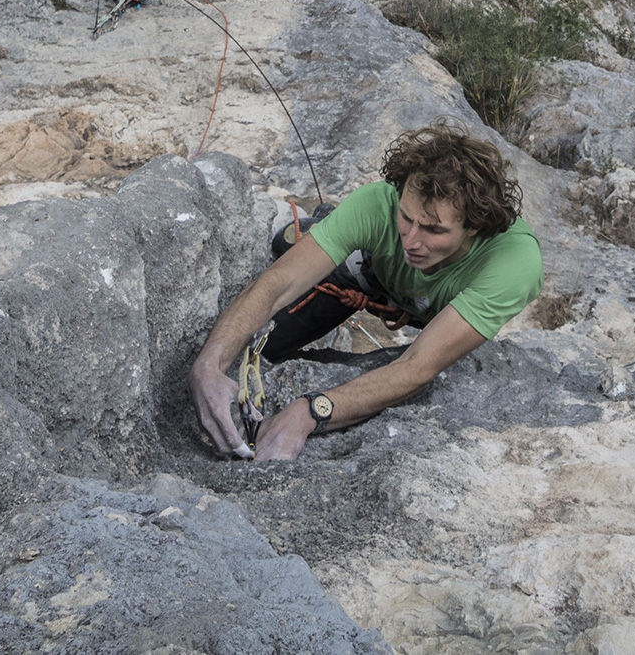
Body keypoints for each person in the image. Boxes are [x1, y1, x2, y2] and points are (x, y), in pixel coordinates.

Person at [188, 121, 544, 462]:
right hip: (372, 277)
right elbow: (276, 284)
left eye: (434, 230)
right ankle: (329, 231)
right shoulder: (378, 203)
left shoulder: (513, 263)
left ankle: (327, 228)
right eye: (406, 217)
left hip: (439, 311)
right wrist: (210, 363)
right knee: (269, 336)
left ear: (475, 228)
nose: (413, 240)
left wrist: (310, 411)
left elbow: (417, 366)